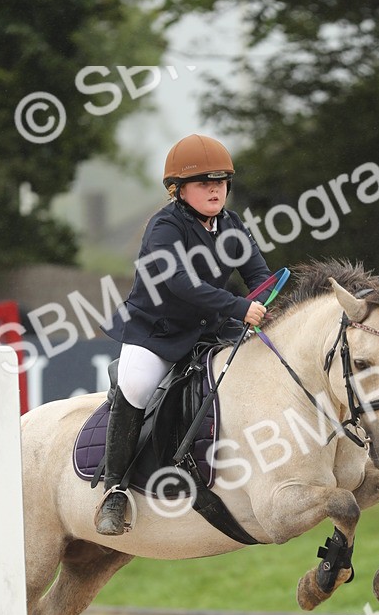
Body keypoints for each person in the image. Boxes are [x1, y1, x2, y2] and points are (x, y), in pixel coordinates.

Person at [96, 133, 271, 536]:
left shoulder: (231, 224)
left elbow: (258, 275)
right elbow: (179, 282)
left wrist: (272, 305)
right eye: (203, 182)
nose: (215, 189)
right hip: (157, 332)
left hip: (209, 330)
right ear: (178, 190)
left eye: (221, 181)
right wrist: (239, 306)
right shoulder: (164, 226)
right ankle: (115, 490)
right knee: (136, 386)